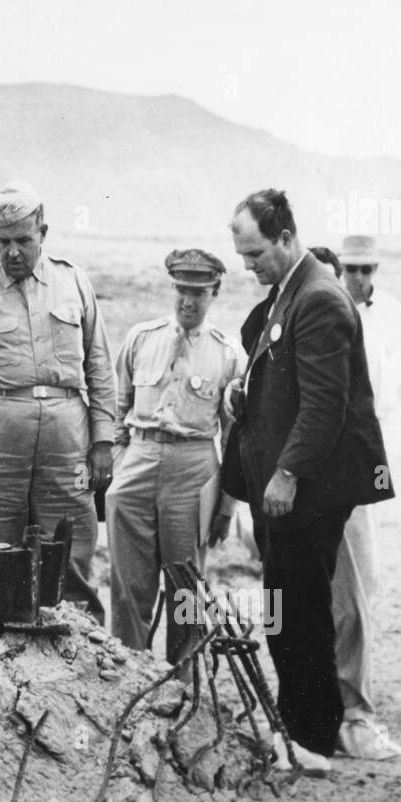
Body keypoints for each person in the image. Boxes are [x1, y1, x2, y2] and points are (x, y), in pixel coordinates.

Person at [221, 189, 393, 775]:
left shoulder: (318, 297)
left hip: (305, 491)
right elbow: (278, 373)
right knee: (287, 610)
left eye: (256, 254)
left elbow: (325, 405)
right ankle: (299, 725)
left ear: (287, 238)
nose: (249, 266)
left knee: (300, 613)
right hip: (283, 488)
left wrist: (288, 472)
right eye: (243, 256)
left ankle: (311, 738)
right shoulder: (289, 292)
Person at [0, 181, 115, 642]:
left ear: (43, 232)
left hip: (66, 442)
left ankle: (78, 676)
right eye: (3, 242)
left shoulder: (75, 283)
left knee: (68, 558)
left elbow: (99, 366)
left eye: (22, 241)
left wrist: (104, 442)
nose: (12, 252)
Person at [105, 249, 243, 667]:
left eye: (198, 293)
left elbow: (236, 438)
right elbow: (118, 408)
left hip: (194, 466)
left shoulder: (228, 354)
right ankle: (128, 674)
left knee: (186, 589)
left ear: (214, 293)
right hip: (139, 457)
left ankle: (181, 686)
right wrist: (119, 463)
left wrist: (227, 505)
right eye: (182, 290)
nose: (187, 301)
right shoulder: (141, 339)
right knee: (127, 585)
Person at [313, 237, 401, 760]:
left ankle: (356, 715)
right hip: (299, 493)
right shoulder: (292, 333)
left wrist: (366, 477)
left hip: (349, 492)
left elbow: (388, 415)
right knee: (304, 604)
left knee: (353, 603)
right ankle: (314, 714)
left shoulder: (365, 337)